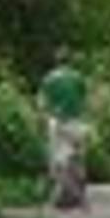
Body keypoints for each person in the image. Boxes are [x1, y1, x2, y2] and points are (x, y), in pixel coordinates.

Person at [41, 59, 92, 210]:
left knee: (58, 160)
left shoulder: (49, 79)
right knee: (78, 157)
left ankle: (62, 196)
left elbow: (43, 103)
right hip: (77, 122)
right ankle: (80, 195)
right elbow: (84, 99)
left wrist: (45, 115)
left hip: (57, 121)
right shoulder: (78, 77)